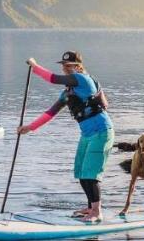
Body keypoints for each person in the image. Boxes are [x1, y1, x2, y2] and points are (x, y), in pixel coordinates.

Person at [17, 51, 115, 222]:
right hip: (87, 134)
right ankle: (91, 207)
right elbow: (50, 113)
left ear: (78, 66)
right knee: (81, 172)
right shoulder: (68, 92)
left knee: (91, 174)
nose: (65, 68)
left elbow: (52, 78)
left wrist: (34, 66)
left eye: (69, 65)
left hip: (101, 131)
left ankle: (97, 212)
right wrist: (29, 128)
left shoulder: (82, 79)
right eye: (63, 65)